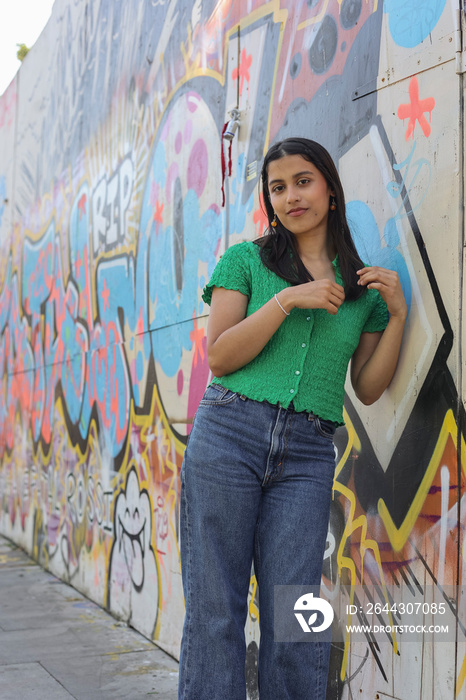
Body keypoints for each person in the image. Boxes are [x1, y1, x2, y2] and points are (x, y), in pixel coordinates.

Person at [178, 137, 407, 700]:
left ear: (330, 189)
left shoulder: (362, 291)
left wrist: (397, 314)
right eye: (277, 188)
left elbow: (369, 388)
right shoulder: (247, 261)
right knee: (216, 609)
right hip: (229, 433)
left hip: (307, 452)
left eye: (303, 181)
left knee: (296, 612)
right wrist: (288, 300)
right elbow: (221, 357)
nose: (290, 196)